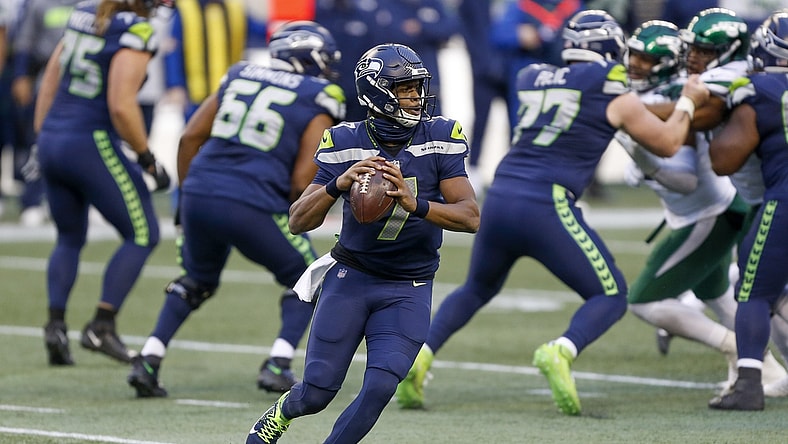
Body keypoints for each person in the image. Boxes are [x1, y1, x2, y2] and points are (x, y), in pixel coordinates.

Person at [394, 10, 710, 416]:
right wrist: (689, 100)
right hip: (547, 202)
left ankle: (420, 356)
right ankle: (561, 350)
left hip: (502, 194)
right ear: (609, 48)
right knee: (610, 295)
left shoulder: (533, 77)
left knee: (477, 287)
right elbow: (667, 142)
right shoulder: (608, 85)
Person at [245, 42, 480, 444]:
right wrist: (338, 183)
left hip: (409, 285)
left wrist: (417, 204)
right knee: (316, 392)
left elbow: (470, 216)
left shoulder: (440, 135)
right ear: (377, 92)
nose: (416, 97)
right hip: (351, 277)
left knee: (379, 388)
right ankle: (280, 413)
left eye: (417, 87)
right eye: (406, 88)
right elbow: (298, 220)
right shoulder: (344, 140)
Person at [126, 20, 346, 398]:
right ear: (306, 59)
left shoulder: (239, 73)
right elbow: (300, 179)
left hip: (199, 191)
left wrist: (188, 196)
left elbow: (190, 137)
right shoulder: (321, 94)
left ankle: (149, 357)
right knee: (309, 278)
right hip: (253, 200)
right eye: (324, 59)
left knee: (196, 280)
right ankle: (277, 363)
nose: (328, 68)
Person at [641, 7, 788, 396]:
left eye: (705, 51)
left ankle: (750, 380)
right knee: (770, 295)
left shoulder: (741, 80)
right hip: (762, 197)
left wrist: (624, 114)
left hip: (770, 199)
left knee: (755, 292)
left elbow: (702, 123)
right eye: (694, 48)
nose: (694, 57)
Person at [33, 0, 173, 366]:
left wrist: (42, 135)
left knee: (68, 237)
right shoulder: (136, 30)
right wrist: (147, 158)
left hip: (52, 137)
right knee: (143, 233)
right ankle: (102, 325)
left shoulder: (85, 11)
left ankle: (55, 326)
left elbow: (51, 76)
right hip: (88, 140)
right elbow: (121, 105)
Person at [707, 9, 788, 410]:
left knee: (754, 292)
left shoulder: (759, 89)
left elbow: (724, 160)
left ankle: (750, 384)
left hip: (785, 199)